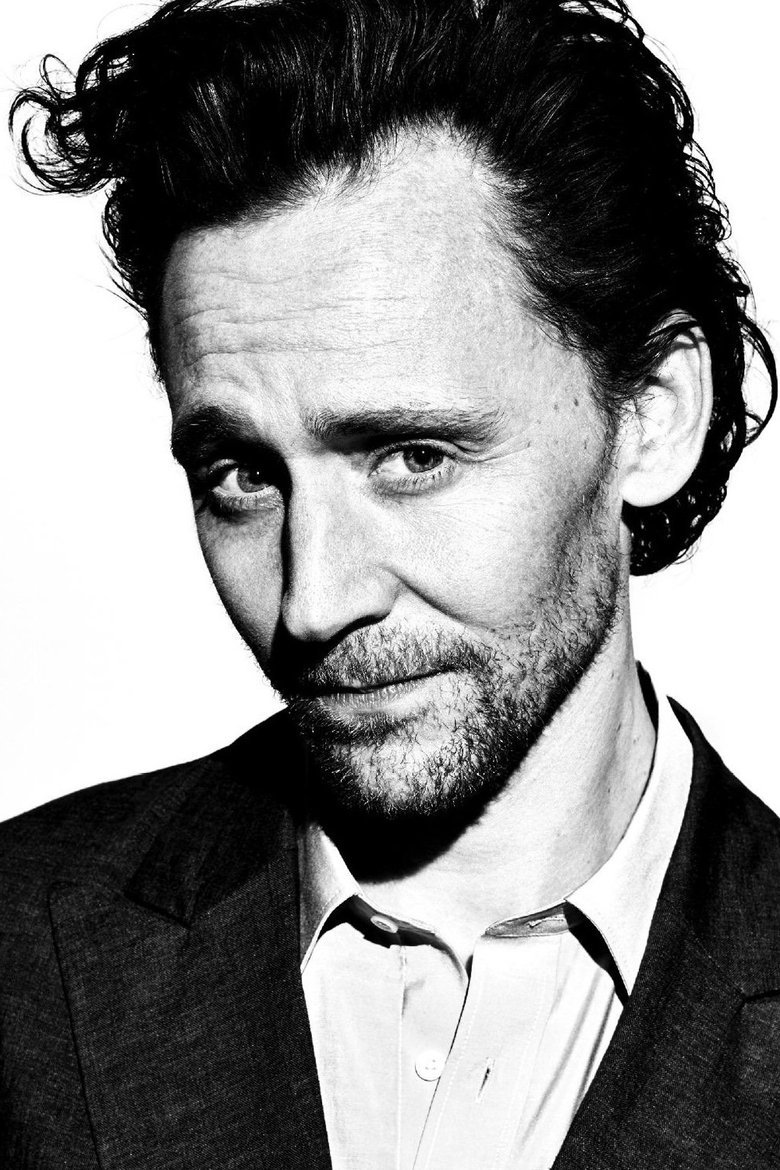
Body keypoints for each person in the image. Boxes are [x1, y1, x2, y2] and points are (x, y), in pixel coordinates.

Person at [2, 0, 778, 1166]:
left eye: (412, 457)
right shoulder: (21, 951)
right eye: (242, 476)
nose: (311, 602)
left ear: (652, 416)